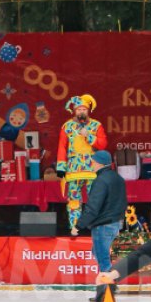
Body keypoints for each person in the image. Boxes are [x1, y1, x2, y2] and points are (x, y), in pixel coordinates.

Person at [74, 149, 126, 302]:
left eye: (94, 161)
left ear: (99, 163)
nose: (92, 163)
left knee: (102, 258)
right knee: (98, 253)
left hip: (103, 224)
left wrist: (79, 225)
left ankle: (106, 291)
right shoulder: (118, 178)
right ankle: (110, 285)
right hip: (114, 222)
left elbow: (93, 206)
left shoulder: (101, 181)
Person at [56, 94, 107, 231]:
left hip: (92, 169)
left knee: (94, 199)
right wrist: (61, 167)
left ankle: (95, 226)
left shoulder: (96, 126)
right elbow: (62, 146)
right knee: (73, 198)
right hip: (74, 169)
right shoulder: (67, 127)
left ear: (88, 110)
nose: (81, 112)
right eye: (79, 109)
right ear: (74, 110)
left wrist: (89, 136)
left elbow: (103, 145)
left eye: (84, 109)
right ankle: (75, 226)